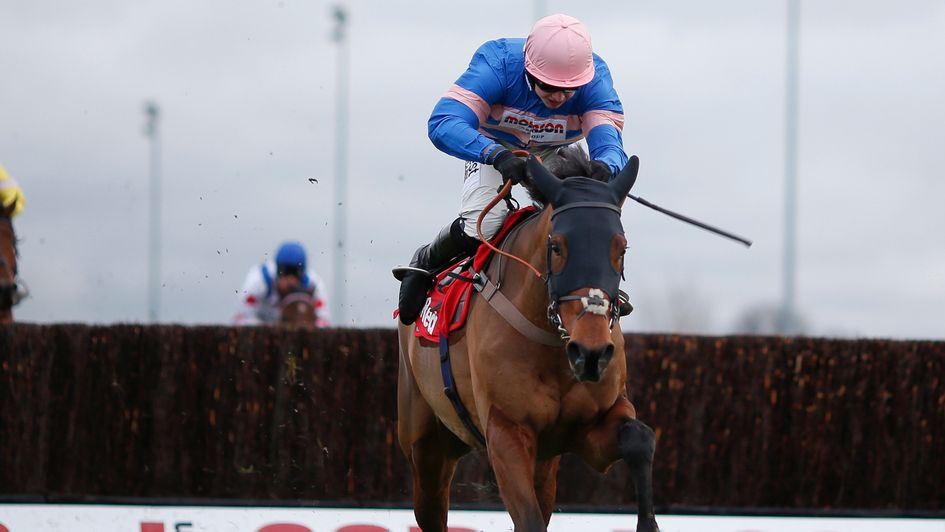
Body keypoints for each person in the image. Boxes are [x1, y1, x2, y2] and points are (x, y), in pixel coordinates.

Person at [395, 13, 632, 325]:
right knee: (485, 224)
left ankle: (598, 288)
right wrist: (495, 154)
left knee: (584, 218)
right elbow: (443, 122)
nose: (559, 98)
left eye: (570, 89)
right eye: (549, 86)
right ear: (529, 71)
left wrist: (605, 165)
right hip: (493, 146)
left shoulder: (596, 79)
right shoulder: (497, 64)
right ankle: (427, 260)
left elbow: (609, 145)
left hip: (553, 152)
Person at [233, 241, 331, 327]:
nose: (290, 280)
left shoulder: (314, 284)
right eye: (285, 272)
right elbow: (241, 319)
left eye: (296, 273)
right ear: (277, 268)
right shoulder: (259, 281)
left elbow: (324, 322)